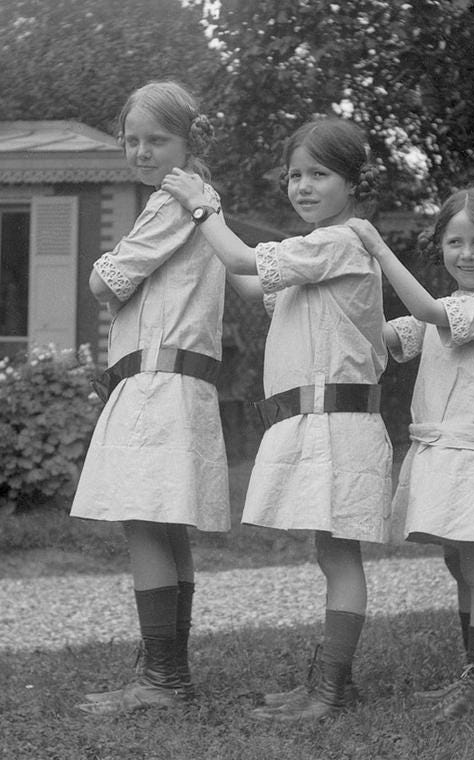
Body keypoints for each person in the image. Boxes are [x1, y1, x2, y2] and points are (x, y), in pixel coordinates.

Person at [161, 117, 392, 722]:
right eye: (295, 175)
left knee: (340, 557)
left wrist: (203, 206)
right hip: (318, 424)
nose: (303, 186)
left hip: (339, 424)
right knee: (330, 554)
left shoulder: (339, 243)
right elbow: (243, 279)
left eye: (320, 174)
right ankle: (325, 682)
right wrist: (195, 237)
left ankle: (330, 689)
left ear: (352, 182)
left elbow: (240, 254)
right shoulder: (310, 253)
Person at [70, 81, 231, 714]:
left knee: (144, 519)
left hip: (159, 383)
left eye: (156, 140)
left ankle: (163, 680)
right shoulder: (194, 202)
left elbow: (102, 280)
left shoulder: (174, 201)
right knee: (164, 521)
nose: (141, 151)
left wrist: (108, 265)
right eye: (131, 140)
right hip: (174, 380)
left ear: (190, 143)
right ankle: (170, 673)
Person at [346, 187, 474, 722]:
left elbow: (425, 307)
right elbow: (378, 333)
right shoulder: (443, 313)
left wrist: (378, 249)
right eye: (455, 242)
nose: (467, 254)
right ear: (440, 246)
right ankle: (473, 673)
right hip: (443, 449)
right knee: (458, 560)